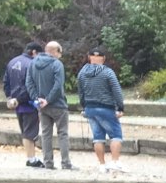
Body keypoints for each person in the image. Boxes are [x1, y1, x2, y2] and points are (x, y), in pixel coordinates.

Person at [77, 46, 126, 175]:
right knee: (116, 135)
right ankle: (115, 162)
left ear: (89, 58)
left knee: (98, 138)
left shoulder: (82, 73)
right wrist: (120, 107)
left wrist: (84, 106)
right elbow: (116, 90)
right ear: (103, 59)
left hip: (90, 108)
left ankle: (102, 164)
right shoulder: (108, 72)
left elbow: (80, 92)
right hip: (106, 107)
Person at [27, 40, 72, 170]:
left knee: (46, 134)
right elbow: (58, 85)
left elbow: (29, 83)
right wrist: (49, 99)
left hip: (42, 106)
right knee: (63, 133)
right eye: (60, 52)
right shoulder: (57, 64)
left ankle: (48, 163)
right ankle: (65, 163)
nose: (61, 55)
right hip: (58, 105)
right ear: (55, 51)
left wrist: (38, 99)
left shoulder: (33, 63)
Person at [3, 42, 42, 167]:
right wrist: (20, 99)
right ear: (34, 52)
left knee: (25, 131)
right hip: (28, 103)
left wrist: (10, 98)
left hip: (16, 104)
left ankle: (31, 157)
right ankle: (31, 159)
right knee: (30, 132)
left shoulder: (12, 62)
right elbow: (30, 86)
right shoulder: (32, 64)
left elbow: (6, 82)